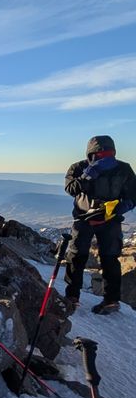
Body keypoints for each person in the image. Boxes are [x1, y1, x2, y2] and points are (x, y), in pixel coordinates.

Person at [64, 135, 136, 315]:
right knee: (76, 256)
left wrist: (122, 206)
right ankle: (72, 297)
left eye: (107, 154)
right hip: (83, 218)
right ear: (90, 154)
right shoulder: (79, 167)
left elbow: (133, 195)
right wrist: (87, 176)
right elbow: (70, 188)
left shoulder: (123, 169)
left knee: (109, 258)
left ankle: (111, 301)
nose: (103, 158)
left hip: (110, 219)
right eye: (99, 154)